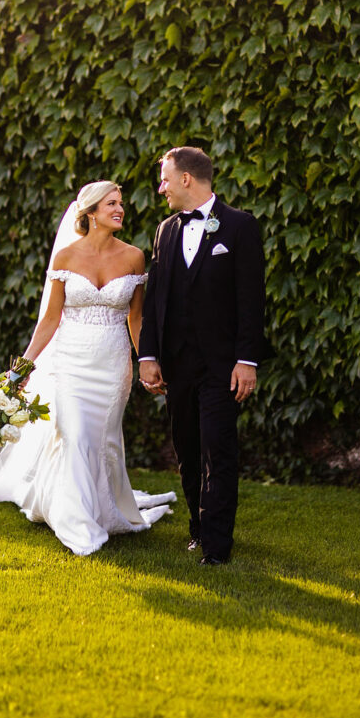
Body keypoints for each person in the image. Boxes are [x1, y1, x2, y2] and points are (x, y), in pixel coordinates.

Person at [0, 180, 176, 556]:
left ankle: (101, 507)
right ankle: (79, 528)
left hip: (112, 366)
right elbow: (49, 320)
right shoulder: (65, 258)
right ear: (90, 212)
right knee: (75, 436)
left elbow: (137, 319)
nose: (120, 209)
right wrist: (21, 368)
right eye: (111, 203)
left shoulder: (134, 257)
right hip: (70, 364)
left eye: (120, 203)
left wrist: (147, 362)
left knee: (102, 440)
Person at [138, 147, 268, 566]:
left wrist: (246, 360)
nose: (161, 189)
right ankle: (197, 528)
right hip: (177, 365)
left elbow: (251, 300)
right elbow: (156, 297)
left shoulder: (240, 227)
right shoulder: (165, 231)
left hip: (222, 366)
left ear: (187, 179)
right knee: (187, 449)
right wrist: (149, 355)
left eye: (164, 179)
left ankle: (216, 545)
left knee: (218, 449)